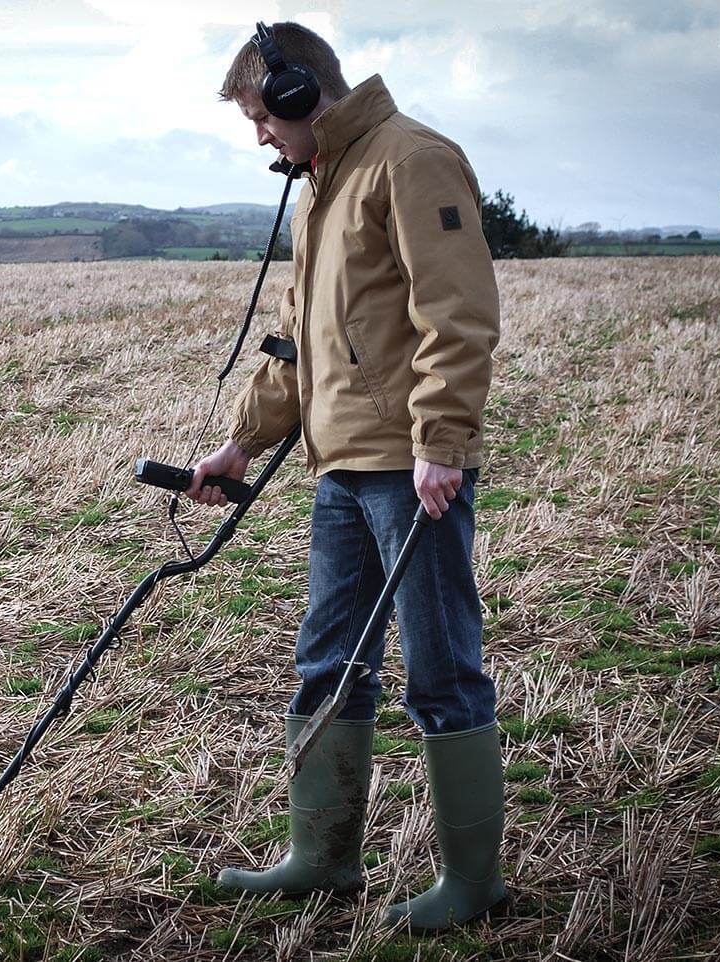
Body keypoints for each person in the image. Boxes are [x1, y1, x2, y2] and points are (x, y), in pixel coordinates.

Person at [186, 22, 505, 933]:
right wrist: (243, 442)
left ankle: (475, 883)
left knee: (441, 671)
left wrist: (442, 440)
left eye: (261, 118)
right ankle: (322, 859)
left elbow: (459, 314)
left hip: (410, 471)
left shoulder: (411, 161)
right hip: (339, 469)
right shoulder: (322, 184)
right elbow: (301, 342)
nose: (261, 138)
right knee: (329, 664)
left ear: (298, 96)